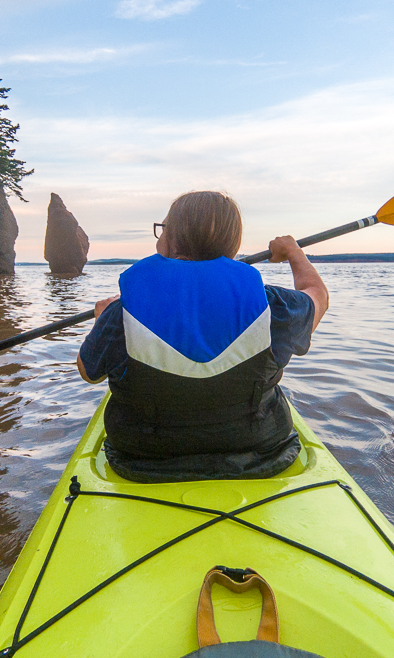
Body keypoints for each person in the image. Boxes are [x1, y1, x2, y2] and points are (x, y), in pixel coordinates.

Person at [76, 190, 329, 481]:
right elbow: (317, 297)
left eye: (162, 229)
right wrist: (294, 252)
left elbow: (89, 373)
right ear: (230, 246)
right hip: (260, 455)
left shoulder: (122, 312)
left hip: (143, 461)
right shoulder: (271, 305)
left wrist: (102, 320)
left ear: (171, 239)